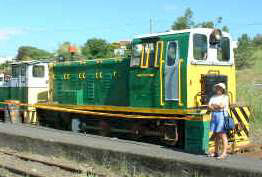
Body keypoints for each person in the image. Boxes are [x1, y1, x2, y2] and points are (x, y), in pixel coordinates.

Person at [208, 83, 229, 159]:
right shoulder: (213, 97)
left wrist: (214, 105)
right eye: (217, 88)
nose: (218, 89)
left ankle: (224, 153)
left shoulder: (225, 97)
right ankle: (216, 152)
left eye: (220, 88)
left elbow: (221, 106)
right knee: (216, 134)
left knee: (222, 134)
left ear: (223, 89)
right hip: (214, 115)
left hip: (221, 116)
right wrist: (215, 106)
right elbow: (209, 106)